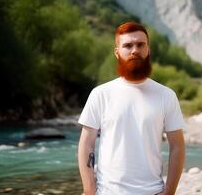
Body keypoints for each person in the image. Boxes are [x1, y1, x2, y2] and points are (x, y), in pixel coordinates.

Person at [78, 21, 185, 195]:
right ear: (117, 52)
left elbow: (177, 146)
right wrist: (89, 190)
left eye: (140, 45)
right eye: (128, 45)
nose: (135, 50)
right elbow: (86, 144)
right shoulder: (100, 94)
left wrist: (169, 192)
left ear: (148, 49)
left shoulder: (166, 95)